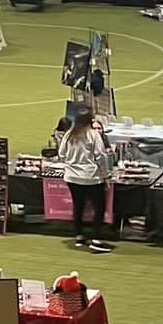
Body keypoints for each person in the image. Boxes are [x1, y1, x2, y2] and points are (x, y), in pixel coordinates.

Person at [57, 107, 114, 254]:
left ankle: (79, 236)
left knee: (78, 205)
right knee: (99, 207)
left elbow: (61, 154)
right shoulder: (93, 135)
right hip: (91, 177)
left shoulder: (69, 134)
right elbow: (100, 156)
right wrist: (106, 175)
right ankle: (96, 239)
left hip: (72, 177)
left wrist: (72, 163)